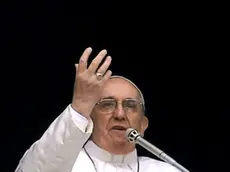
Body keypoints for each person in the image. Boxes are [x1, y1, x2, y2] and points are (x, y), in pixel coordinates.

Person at [15, 47, 180, 172]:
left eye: (130, 106)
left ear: (143, 125)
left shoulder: (167, 169)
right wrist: (80, 106)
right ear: (90, 119)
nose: (120, 114)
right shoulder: (66, 164)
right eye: (108, 104)